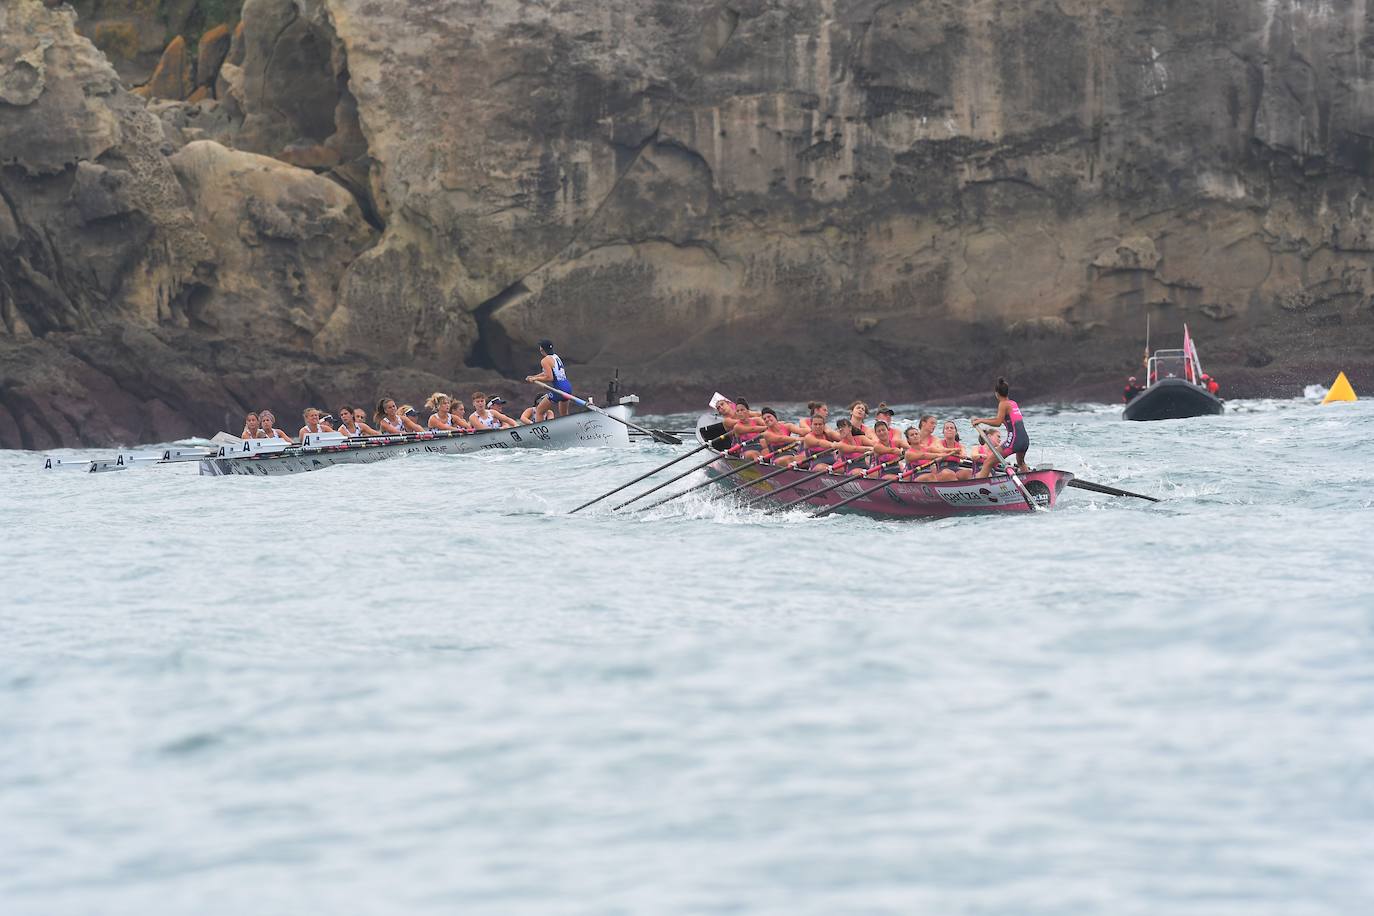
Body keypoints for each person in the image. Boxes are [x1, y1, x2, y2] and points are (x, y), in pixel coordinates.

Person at [971, 377, 1030, 477]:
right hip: (1025, 440)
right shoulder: (1013, 403)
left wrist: (981, 420)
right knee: (1021, 463)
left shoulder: (1003, 404)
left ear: (996, 393)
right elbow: (1004, 420)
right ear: (1007, 392)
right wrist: (982, 419)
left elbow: (998, 422)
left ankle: (980, 488)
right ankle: (1030, 483)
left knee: (988, 463)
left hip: (1014, 441)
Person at [525, 339, 574, 417]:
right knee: (564, 415)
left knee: (539, 411)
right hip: (568, 387)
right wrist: (534, 377)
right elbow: (547, 373)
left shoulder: (545, 360)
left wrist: (535, 379)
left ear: (541, 349)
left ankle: (540, 428)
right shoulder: (556, 357)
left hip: (559, 389)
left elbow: (549, 377)